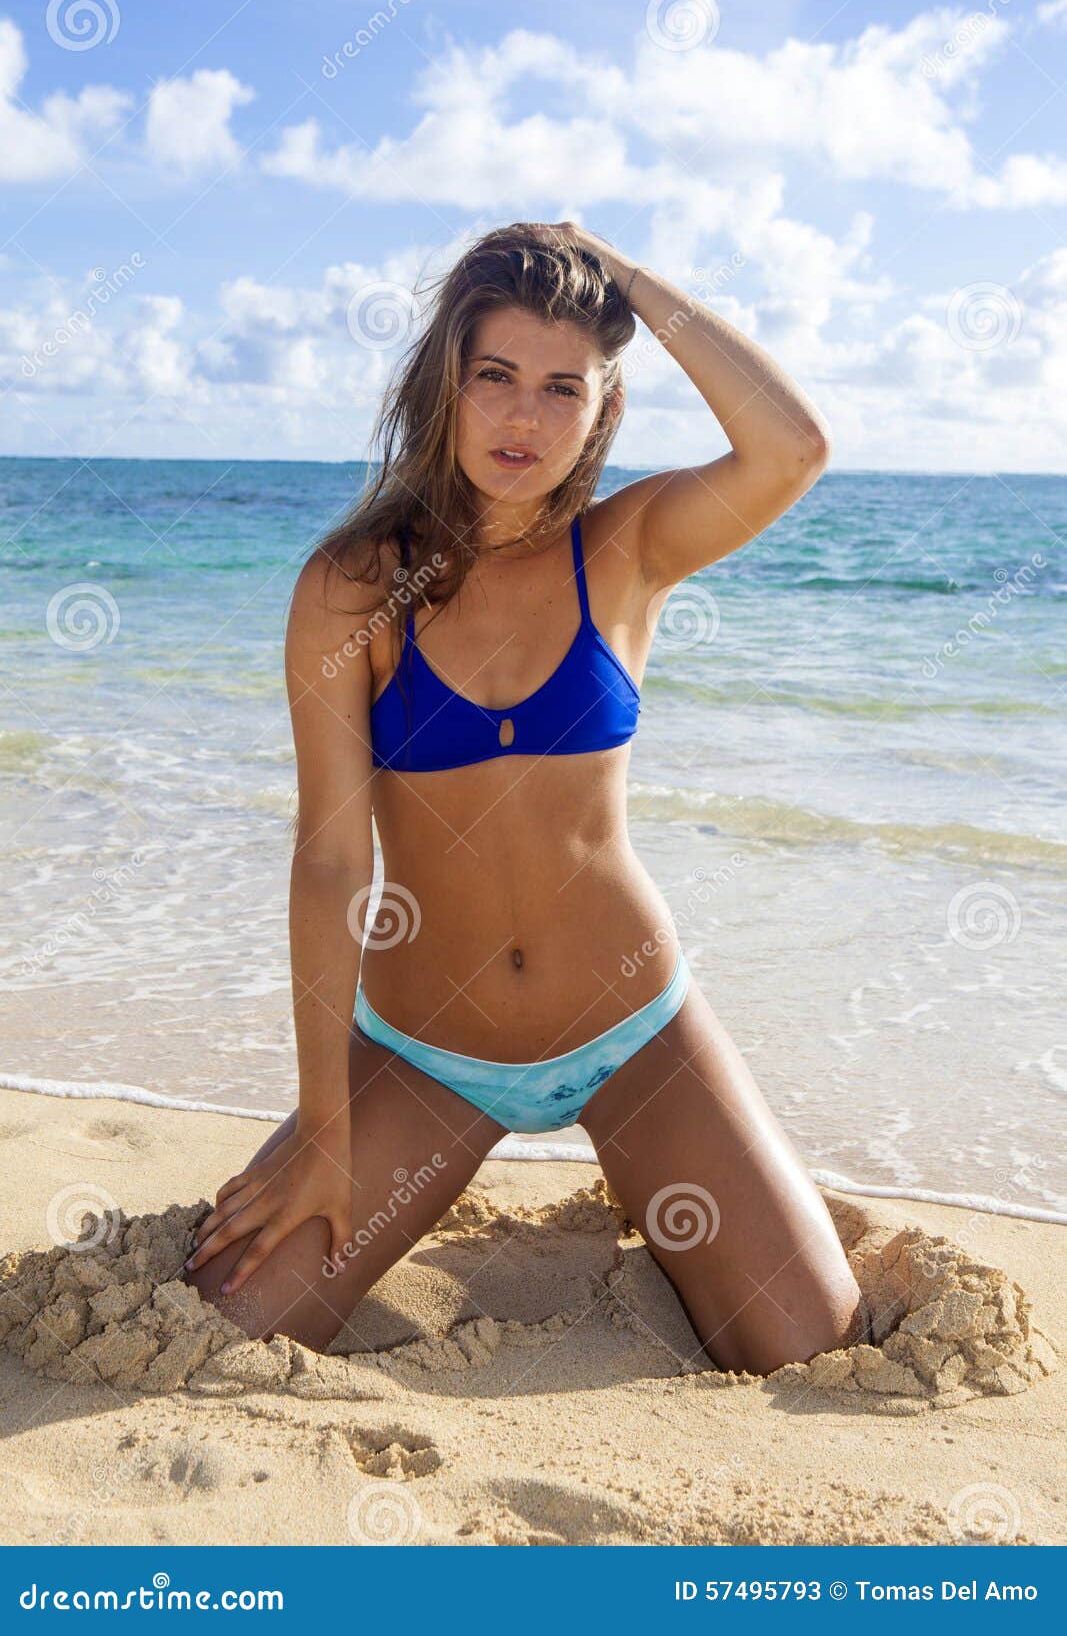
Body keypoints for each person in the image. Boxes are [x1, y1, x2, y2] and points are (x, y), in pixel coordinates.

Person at [181, 221, 871, 1375]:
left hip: (629, 1028)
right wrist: (327, 1133)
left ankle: (663, 1200)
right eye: (494, 376)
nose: (523, 418)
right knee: (221, 1326)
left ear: (600, 410)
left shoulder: (629, 546)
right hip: (427, 1047)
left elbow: (791, 446)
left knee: (807, 1340)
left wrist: (624, 275)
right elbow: (333, 865)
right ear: (443, 381)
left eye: (564, 388)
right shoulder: (354, 587)